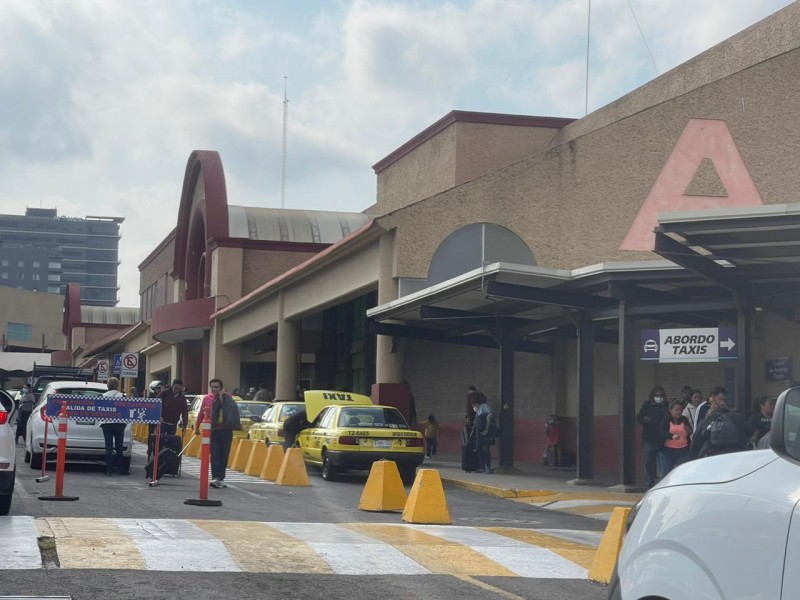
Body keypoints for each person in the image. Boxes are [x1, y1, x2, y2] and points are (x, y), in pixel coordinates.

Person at [195, 378, 241, 488]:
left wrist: (221, 398)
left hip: (226, 431)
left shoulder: (227, 398)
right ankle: (215, 478)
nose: (214, 389)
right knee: (215, 454)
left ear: (221, 388)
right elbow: (202, 413)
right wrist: (197, 427)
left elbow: (233, 410)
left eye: (217, 387)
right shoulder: (207, 399)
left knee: (224, 455)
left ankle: (221, 477)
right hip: (213, 431)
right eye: (213, 387)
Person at [690, 387, 752, 459]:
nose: (722, 402)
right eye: (720, 399)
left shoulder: (705, 421)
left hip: (712, 454)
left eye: (724, 400)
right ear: (713, 397)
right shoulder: (703, 408)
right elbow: (748, 432)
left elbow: (697, 438)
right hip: (734, 454)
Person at [637, 385, 669, 488]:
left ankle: (663, 484)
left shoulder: (667, 406)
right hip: (649, 438)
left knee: (663, 463)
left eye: (661, 395)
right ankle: (649, 484)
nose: (659, 397)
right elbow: (639, 418)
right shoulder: (647, 405)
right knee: (649, 462)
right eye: (657, 395)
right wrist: (646, 420)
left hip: (663, 438)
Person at [100, 377, 129, 476]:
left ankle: (109, 470)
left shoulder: (102, 396)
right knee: (119, 447)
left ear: (108, 385)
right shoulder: (122, 396)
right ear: (117, 385)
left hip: (106, 424)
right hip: (119, 423)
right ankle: (120, 469)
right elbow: (126, 410)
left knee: (108, 447)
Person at [660, 400, 692, 476]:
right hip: (668, 451)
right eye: (676, 410)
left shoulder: (684, 419)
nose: (678, 412)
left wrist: (688, 430)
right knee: (667, 473)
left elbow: (690, 430)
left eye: (680, 410)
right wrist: (672, 436)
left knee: (682, 473)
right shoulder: (666, 419)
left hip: (683, 451)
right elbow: (662, 432)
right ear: (671, 411)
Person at [472, 396, 496, 473]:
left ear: (476, 403)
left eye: (474, 404)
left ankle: (487, 467)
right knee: (480, 449)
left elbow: (490, 415)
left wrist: (486, 429)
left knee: (485, 449)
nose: (474, 406)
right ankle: (482, 467)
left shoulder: (484, 407)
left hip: (485, 431)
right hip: (480, 432)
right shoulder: (478, 410)